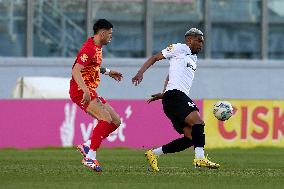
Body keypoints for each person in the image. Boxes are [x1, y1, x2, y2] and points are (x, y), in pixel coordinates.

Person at [132, 28, 220, 172]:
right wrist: (140, 73)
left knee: (191, 138)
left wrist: (163, 93)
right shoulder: (179, 48)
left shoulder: (193, 58)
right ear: (189, 40)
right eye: (199, 40)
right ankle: (199, 158)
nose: (201, 44)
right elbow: (155, 57)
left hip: (172, 97)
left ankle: (153, 153)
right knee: (198, 123)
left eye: (203, 41)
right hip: (176, 96)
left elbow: (170, 76)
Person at [69, 19, 123, 173]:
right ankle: (90, 157)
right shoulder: (90, 48)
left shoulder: (97, 47)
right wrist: (85, 90)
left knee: (116, 121)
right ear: (103, 33)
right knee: (105, 119)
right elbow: (75, 70)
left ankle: (87, 146)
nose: (111, 37)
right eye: (110, 34)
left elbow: (93, 66)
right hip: (80, 91)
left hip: (90, 90)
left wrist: (108, 72)